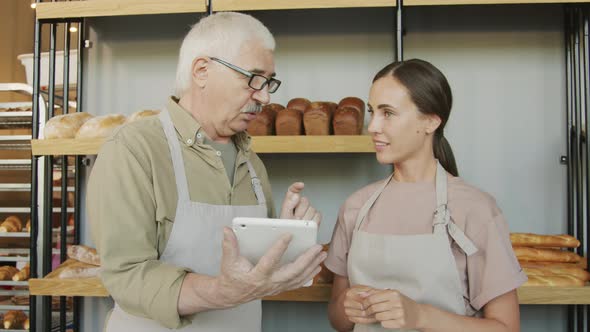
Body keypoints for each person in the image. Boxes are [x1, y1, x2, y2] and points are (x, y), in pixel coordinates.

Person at [87, 12, 326, 331]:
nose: (265, 96)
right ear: (202, 71)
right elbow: (126, 277)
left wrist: (285, 240)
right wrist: (221, 292)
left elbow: (250, 272)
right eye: (253, 78)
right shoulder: (134, 149)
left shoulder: (251, 161)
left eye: (269, 82)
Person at [326, 59, 527, 332]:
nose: (372, 126)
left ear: (431, 121)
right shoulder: (356, 207)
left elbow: (507, 328)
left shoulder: (475, 209)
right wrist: (345, 307)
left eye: (388, 113)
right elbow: (339, 320)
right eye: (372, 112)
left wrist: (420, 315)